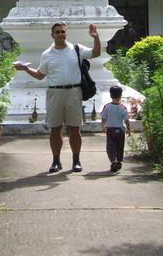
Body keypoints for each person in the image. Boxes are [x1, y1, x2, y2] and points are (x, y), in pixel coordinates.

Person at [14, 22, 101, 172]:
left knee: (75, 128)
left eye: (63, 32)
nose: (60, 34)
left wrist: (96, 37)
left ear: (66, 33)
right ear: (52, 35)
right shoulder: (47, 54)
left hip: (74, 92)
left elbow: (96, 53)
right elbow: (40, 75)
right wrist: (26, 68)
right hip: (55, 93)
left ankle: (76, 160)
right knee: (55, 129)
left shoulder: (77, 49)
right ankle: (56, 161)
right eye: (57, 32)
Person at [100, 85, 131, 173]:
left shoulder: (107, 106)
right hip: (120, 130)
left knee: (110, 146)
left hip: (110, 130)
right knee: (119, 146)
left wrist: (103, 126)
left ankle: (113, 161)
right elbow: (126, 120)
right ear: (121, 95)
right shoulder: (123, 107)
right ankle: (119, 161)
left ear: (110, 95)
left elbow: (103, 118)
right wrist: (128, 129)